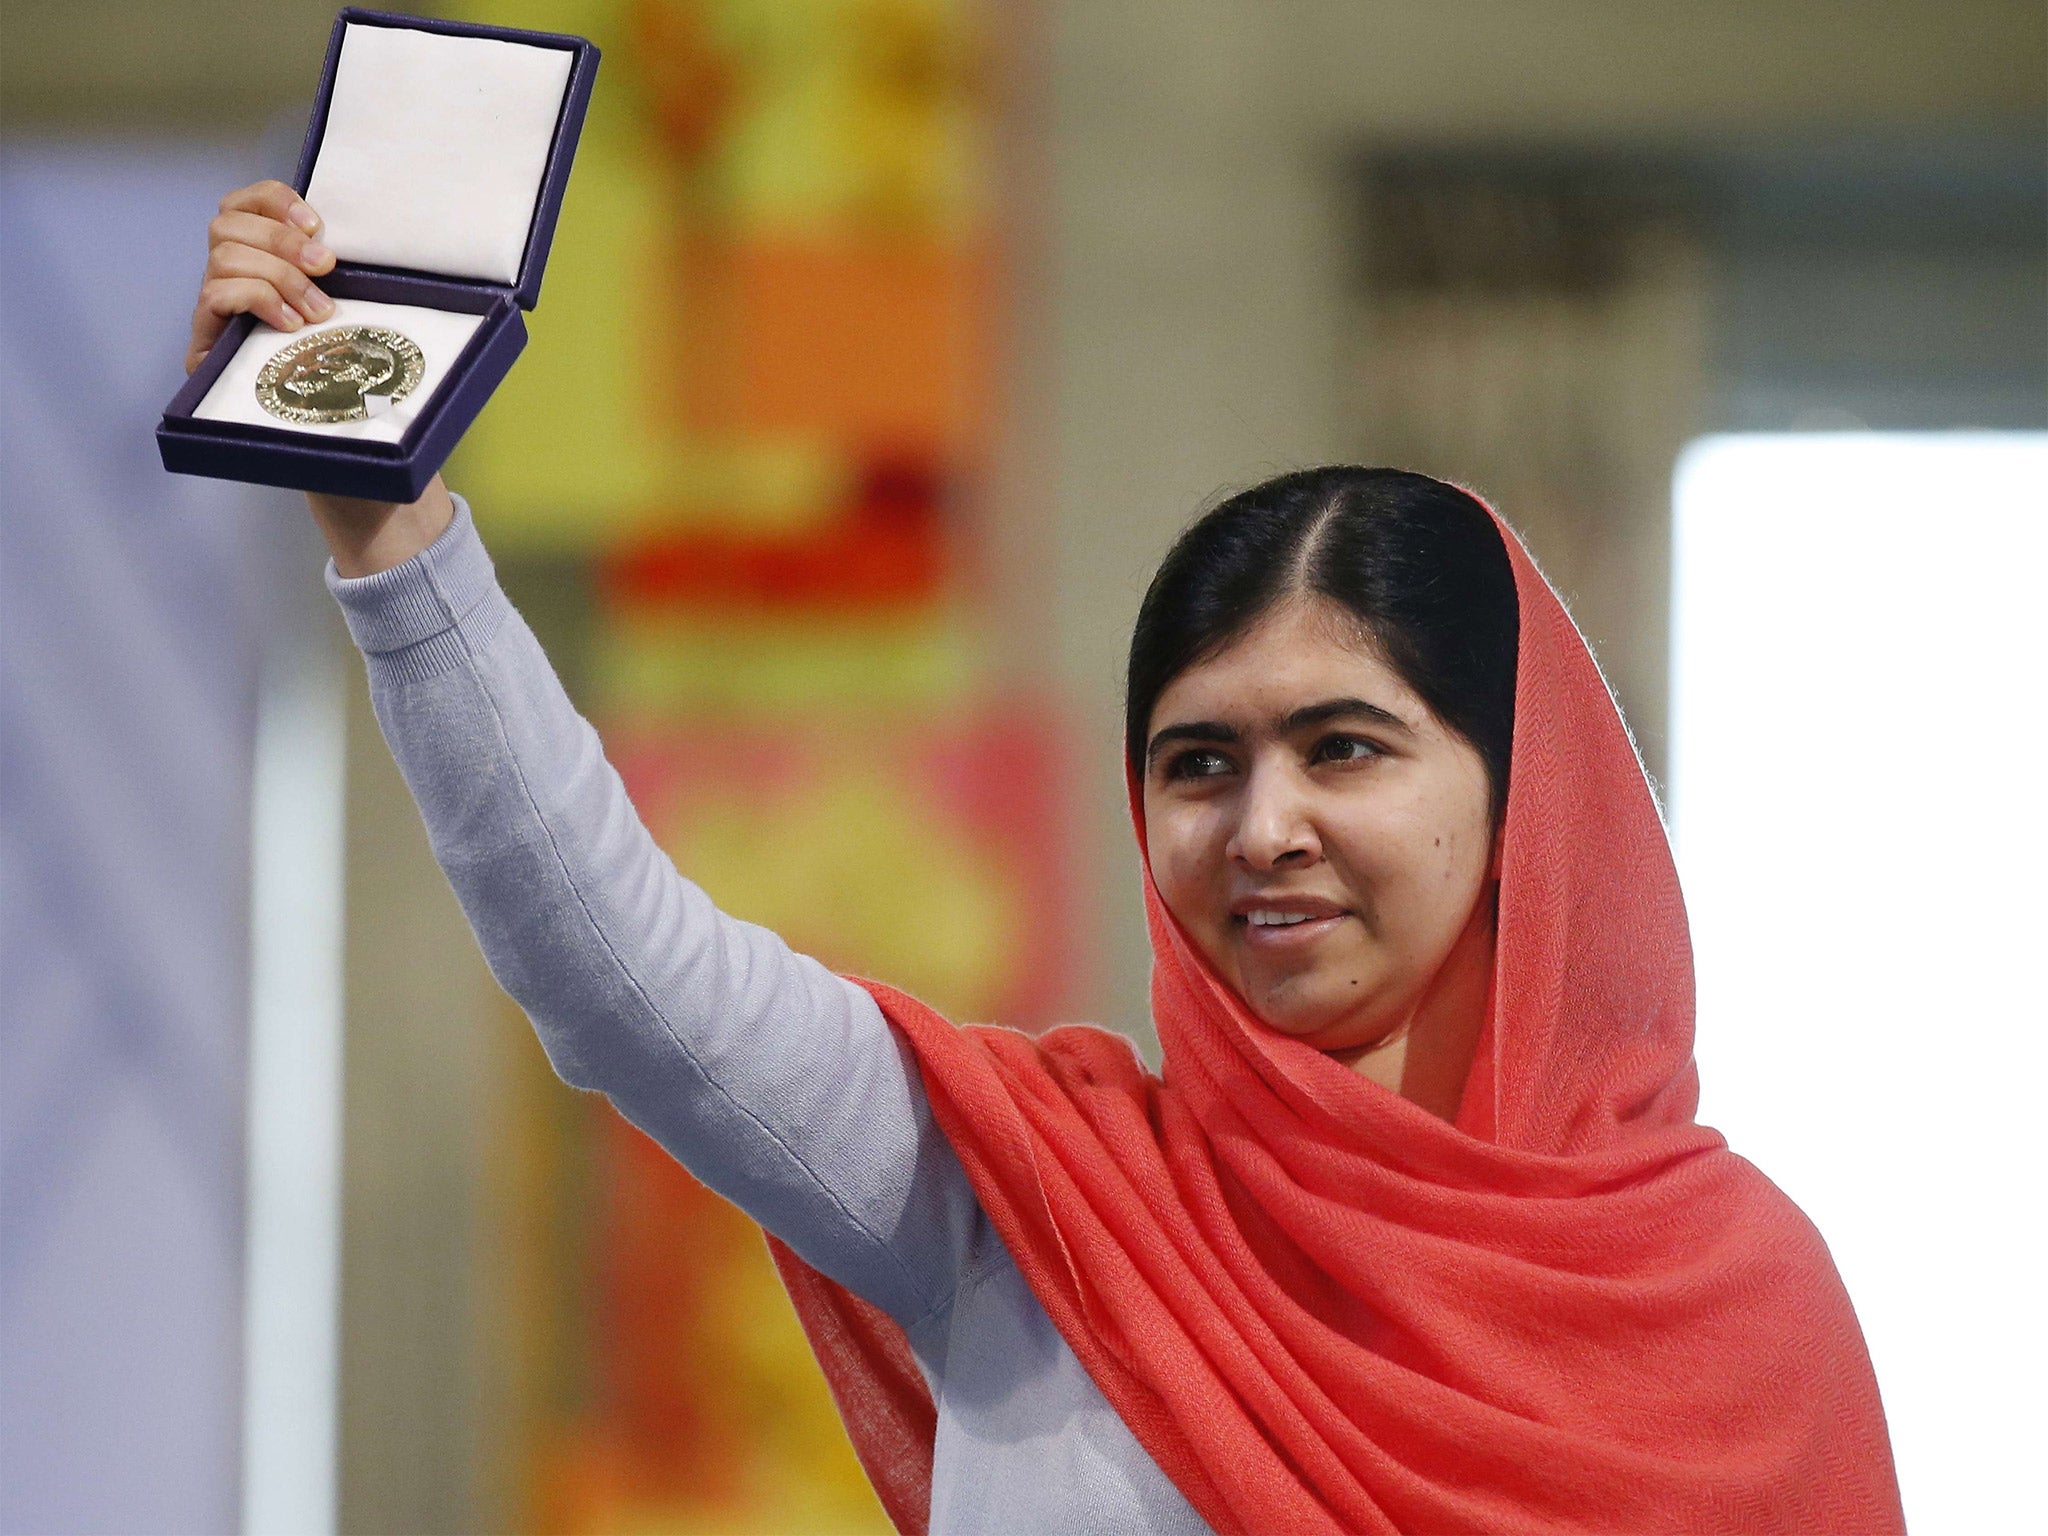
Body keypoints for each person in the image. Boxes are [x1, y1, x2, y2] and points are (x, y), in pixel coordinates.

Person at [190, 181, 1907, 1534]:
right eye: (1197, 764)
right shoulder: (1039, 1203)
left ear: (1525, 792)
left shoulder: (1732, 1307)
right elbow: (621, 969)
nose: (1264, 826)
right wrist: (389, 521)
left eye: (1347, 747)